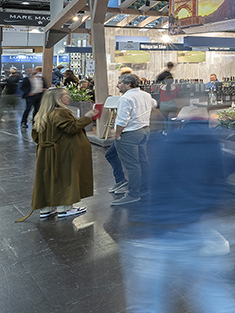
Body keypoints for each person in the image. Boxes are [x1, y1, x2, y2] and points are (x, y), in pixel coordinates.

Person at [121, 107, 235, 313]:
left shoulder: (166, 143)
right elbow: (230, 171)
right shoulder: (214, 146)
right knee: (221, 303)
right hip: (201, 235)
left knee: (150, 310)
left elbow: (152, 183)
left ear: (181, 123)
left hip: (156, 235)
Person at [22, 88, 99, 220]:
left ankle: (46, 209)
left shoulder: (42, 114)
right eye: (65, 95)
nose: (69, 97)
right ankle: (65, 208)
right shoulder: (60, 112)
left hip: (45, 152)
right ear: (57, 99)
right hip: (61, 152)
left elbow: (35, 136)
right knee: (65, 177)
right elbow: (72, 128)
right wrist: (87, 117)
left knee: (48, 179)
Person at [112, 73, 156, 206]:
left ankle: (133, 194)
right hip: (144, 131)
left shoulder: (126, 98)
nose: (117, 85)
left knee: (132, 165)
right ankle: (144, 189)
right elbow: (154, 104)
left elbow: (122, 120)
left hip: (130, 134)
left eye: (120, 83)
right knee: (143, 161)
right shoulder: (146, 95)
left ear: (128, 84)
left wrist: (117, 134)